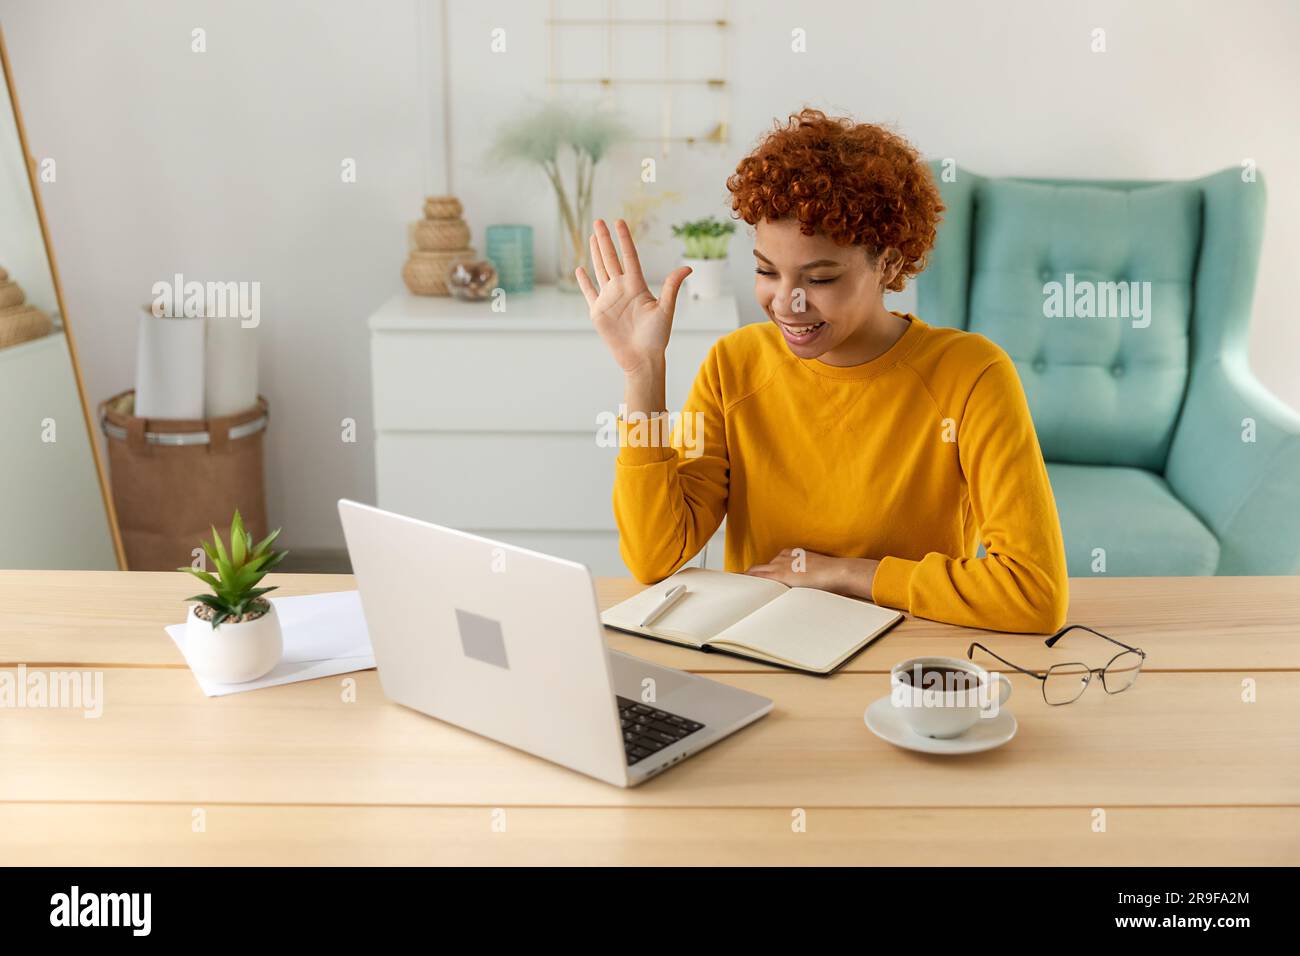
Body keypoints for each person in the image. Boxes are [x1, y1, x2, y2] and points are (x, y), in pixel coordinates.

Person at [576, 108, 1068, 633]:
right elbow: (654, 557)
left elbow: (1033, 592)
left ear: (890, 264)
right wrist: (644, 372)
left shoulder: (971, 375)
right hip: (764, 650)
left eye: (821, 277)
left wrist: (846, 575)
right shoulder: (735, 365)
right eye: (767, 270)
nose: (786, 302)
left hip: (906, 655)